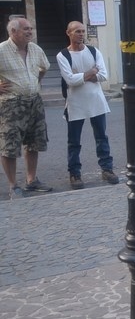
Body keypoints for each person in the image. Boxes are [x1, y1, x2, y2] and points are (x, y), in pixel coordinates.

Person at [56, 21, 119, 189]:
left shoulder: (93, 51)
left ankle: (107, 169)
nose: (81, 34)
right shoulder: (63, 55)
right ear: (68, 33)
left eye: (83, 31)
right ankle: (74, 173)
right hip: (75, 104)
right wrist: (91, 72)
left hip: (96, 101)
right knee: (74, 141)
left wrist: (81, 76)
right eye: (77, 31)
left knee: (101, 137)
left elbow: (104, 75)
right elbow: (69, 80)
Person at [0, 17, 52, 198]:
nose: (30, 32)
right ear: (13, 32)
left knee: (34, 142)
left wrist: (36, 82)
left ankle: (31, 180)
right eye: (26, 29)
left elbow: (44, 67)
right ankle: (13, 185)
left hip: (34, 101)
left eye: (31, 28)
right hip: (11, 104)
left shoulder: (35, 49)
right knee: (9, 145)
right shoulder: (1, 50)